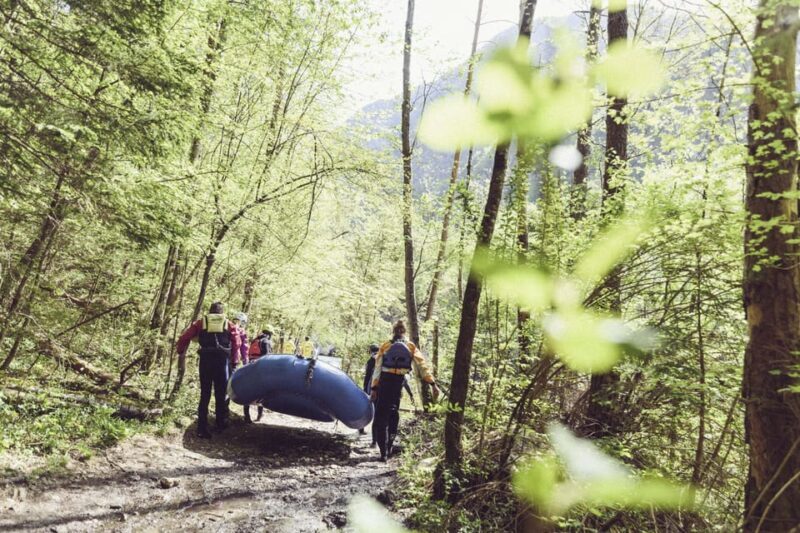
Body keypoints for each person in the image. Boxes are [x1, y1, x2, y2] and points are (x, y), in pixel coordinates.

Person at [370, 320, 439, 461]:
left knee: (380, 416)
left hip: (384, 382)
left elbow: (377, 369)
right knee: (393, 413)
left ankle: (383, 453)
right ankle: (389, 446)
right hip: (398, 382)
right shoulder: (411, 346)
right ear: (405, 331)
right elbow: (422, 366)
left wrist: (374, 388)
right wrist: (433, 384)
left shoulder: (385, 345)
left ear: (393, 331)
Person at [176, 302, 242, 438]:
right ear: (222, 312)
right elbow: (237, 342)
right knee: (220, 393)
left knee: (205, 394)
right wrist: (235, 361)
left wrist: (180, 350)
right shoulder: (228, 324)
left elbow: (184, 337)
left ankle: (201, 428)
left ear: (210, 311)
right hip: (222, 361)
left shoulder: (201, 322)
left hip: (205, 360)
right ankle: (220, 424)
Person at [244, 328, 273, 423]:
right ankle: (259, 415)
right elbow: (268, 358)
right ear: (269, 334)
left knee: (248, 392)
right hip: (260, 369)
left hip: (250, 368)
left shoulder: (254, 340)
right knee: (261, 392)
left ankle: (246, 416)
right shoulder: (266, 341)